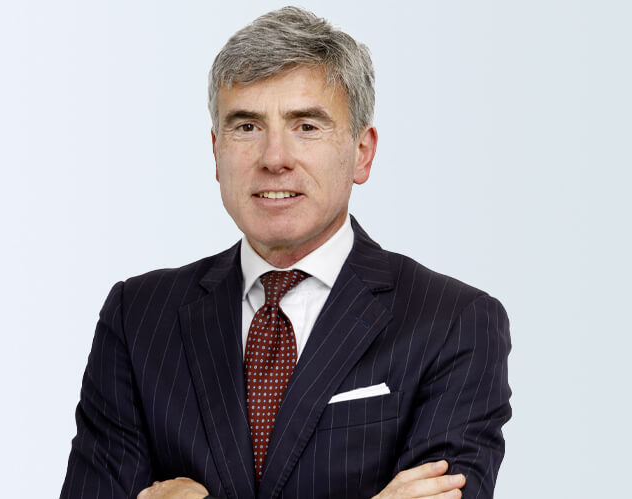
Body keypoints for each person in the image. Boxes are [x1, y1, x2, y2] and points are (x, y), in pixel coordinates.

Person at [60, 6, 511, 499]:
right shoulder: (138, 317)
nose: (274, 158)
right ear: (216, 151)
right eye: (247, 127)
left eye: (307, 126)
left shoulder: (453, 323)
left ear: (362, 152)